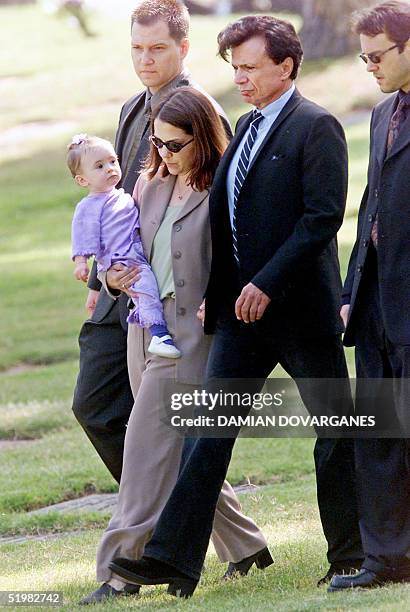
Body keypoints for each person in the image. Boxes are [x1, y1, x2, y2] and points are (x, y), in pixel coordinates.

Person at [108, 15, 363, 598]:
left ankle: (351, 555)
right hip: (241, 320)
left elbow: (321, 218)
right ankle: (172, 561)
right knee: (206, 435)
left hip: (302, 314)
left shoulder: (318, 126)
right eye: (235, 68)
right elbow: (225, 224)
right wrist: (218, 299)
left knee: (335, 433)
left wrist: (266, 284)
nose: (241, 79)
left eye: (250, 67)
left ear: (286, 66)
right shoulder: (245, 127)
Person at [79, 87, 271, 605]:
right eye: (158, 143)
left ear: (203, 139)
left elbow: (249, 254)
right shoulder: (149, 184)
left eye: (175, 144)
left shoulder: (228, 186)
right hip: (143, 328)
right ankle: (247, 546)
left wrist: (223, 294)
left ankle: (117, 572)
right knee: (183, 448)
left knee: (144, 453)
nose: (164, 154)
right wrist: (111, 277)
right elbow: (129, 245)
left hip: (190, 339)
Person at [71, 0, 231, 483]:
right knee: (96, 407)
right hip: (121, 286)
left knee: (167, 424)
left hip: (169, 293)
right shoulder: (132, 107)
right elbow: (116, 198)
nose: (146, 59)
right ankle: (175, 523)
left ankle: (160, 526)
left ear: (183, 47)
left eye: (158, 48)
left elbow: (216, 211)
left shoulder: (200, 110)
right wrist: (100, 281)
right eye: (137, 48)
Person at [329, 1, 410, 592]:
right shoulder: (383, 113)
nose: (370, 68)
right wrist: (352, 290)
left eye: (378, 56)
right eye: (364, 58)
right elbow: (372, 209)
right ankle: (386, 560)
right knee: (378, 435)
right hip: (378, 304)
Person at [68, 134, 181, 358]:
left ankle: (146, 318)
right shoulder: (89, 206)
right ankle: (159, 335)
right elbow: (82, 234)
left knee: (144, 290)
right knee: (146, 286)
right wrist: (81, 262)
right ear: (83, 180)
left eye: (113, 161)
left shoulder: (121, 196)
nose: (110, 169)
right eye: (99, 166)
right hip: (119, 259)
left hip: (134, 252)